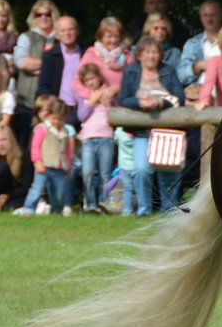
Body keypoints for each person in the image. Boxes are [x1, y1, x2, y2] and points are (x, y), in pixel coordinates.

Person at [119, 36, 186, 215]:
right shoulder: (130, 71)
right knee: (141, 170)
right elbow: (123, 99)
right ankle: (144, 210)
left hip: (167, 131)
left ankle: (169, 211)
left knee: (169, 172)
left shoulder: (169, 70)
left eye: (154, 52)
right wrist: (141, 102)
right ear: (139, 54)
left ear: (160, 54)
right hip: (141, 132)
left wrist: (159, 103)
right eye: (147, 52)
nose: (150, 55)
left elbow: (180, 97)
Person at [75, 63, 117, 212]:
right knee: (88, 172)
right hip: (88, 139)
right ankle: (90, 204)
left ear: (99, 77)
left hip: (106, 137)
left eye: (92, 78)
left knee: (105, 173)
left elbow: (115, 117)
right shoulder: (85, 96)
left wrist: (109, 105)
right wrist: (92, 102)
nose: (90, 82)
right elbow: (81, 116)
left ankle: (104, 204)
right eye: (87, 80)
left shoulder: (108, 93)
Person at [31, 97, 77, 215]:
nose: (56, 121)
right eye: (53, 118)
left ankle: (57, 210)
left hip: (59, 167)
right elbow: (36, 146)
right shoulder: (42, 129)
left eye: (59, 119)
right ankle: (29, 208)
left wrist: (68, 167)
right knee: (37, 189)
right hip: (44, 165)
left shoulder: (65, 132)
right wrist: (37, 161)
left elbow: (67, 151)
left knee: (59, 192)